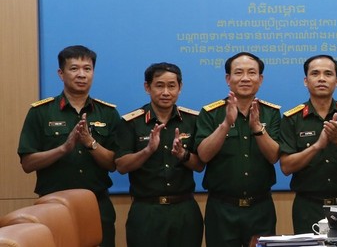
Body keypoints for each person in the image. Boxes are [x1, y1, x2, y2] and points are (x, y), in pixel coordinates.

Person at [17, 45, 121, 247]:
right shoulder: (41, 112)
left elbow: (113, 164)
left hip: (97, 206)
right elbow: (28, 163)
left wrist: (90, 143)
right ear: (61, 74)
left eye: (87, 69)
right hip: (53, 207)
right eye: (74, 69)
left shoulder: (107, 113)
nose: (81, 75)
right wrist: (63, 149)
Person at [195, 52, 282, 246]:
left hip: (261, 208)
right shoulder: (211, 113)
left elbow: (274, 156)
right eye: (238, 73)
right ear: (228, 79)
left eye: (251, 73)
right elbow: (203, 155)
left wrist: (258, 129)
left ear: (260, 79)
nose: (245, 78)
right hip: (222, 209)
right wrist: (226, 123)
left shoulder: (272, 113)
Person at [115, 62, 204, 247]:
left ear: (180, 87)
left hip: (185, 210)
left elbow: (199, 165)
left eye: (172, 86)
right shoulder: (131, 122)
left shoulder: (192, 120)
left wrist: (183, 154)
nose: (166, 92)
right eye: (159, 85)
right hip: (146, 211)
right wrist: (147, 151)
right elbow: (121, 166)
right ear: (147, 87)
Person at [278, 55, 337, 234]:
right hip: (308, 206)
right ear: (306, 81)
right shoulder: (292, 119)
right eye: (315, 73)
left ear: (336, 81)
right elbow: (286, 167)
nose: (321, 78)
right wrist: (317, 146)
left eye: (328, 74)